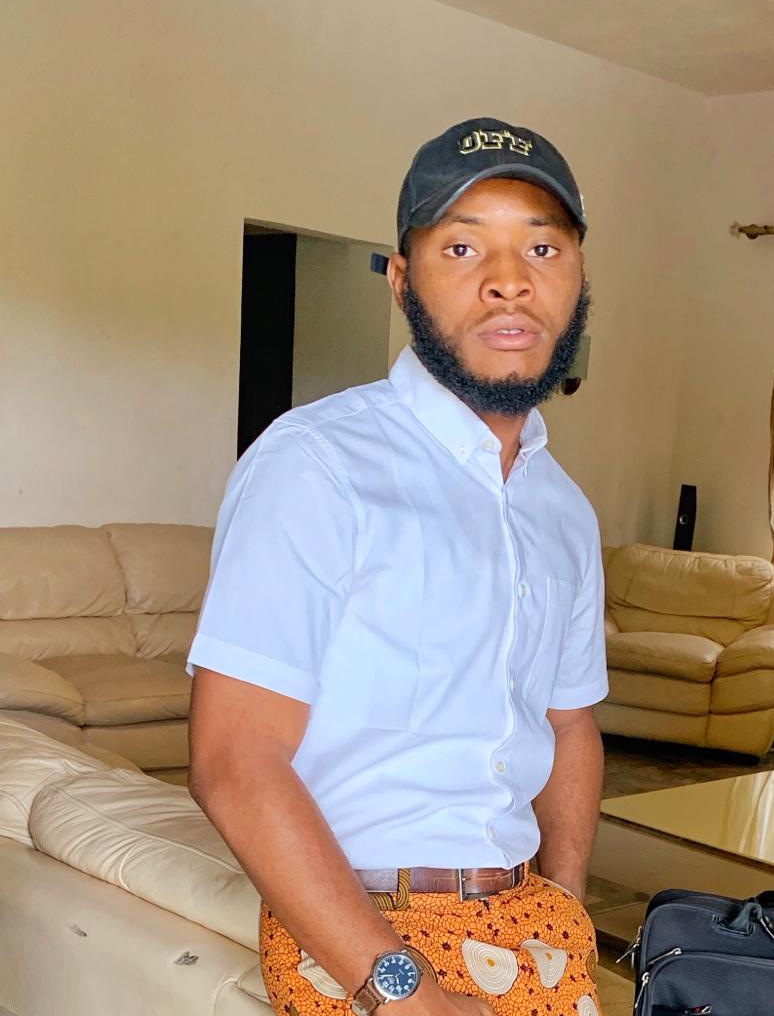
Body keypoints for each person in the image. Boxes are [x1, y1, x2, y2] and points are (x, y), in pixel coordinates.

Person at [187, 117, 608, 1016]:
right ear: (402, 279)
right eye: (462, 247)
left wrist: (565, 904)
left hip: (532, 920)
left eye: (541, 247)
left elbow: (568, 722)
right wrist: (400, 991)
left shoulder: (562, 508)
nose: (508, 279)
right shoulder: (316, 465)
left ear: (576, 278)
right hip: (365, 930)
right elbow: (234, 758)